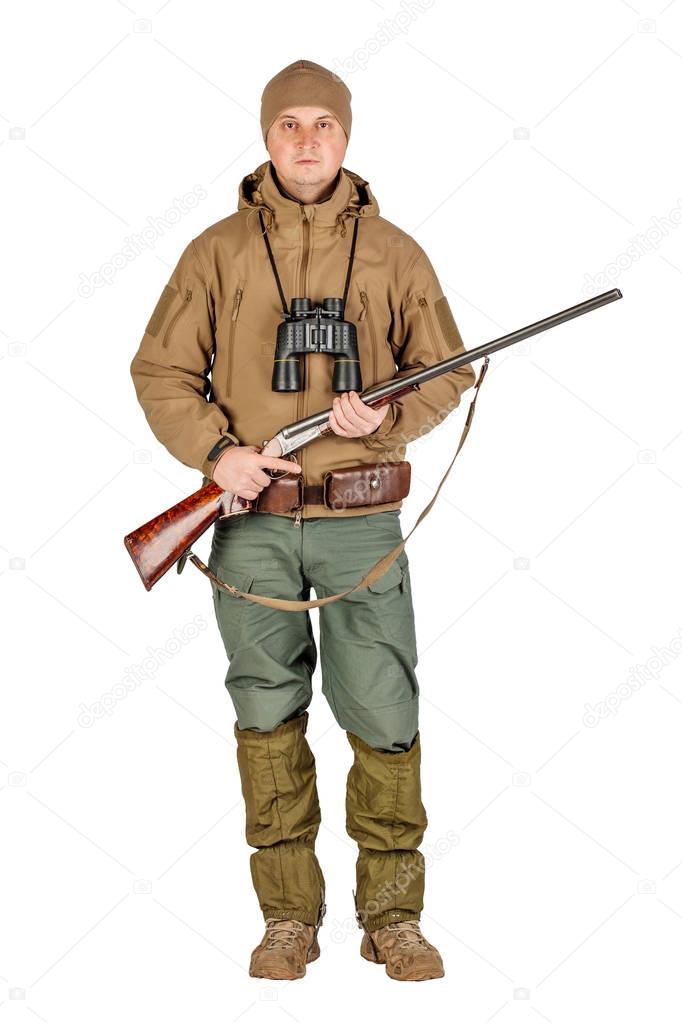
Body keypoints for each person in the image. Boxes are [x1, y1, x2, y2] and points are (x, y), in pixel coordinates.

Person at [130, 59, 476, 982]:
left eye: (326, 123)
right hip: (248, 520)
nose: (309, 140)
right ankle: (289, 918)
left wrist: (389, 419)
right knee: (266, 710)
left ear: (348, 136)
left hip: (363, 522)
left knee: (384, 710)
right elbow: (160, 373)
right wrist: (219, 457)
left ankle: (392, 916)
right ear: (267, 135)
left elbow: (446, 370)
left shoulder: (398, 251)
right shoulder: (215, 251)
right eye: (291, 124)